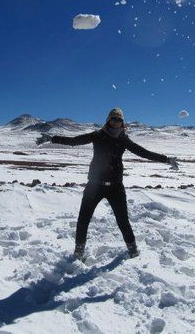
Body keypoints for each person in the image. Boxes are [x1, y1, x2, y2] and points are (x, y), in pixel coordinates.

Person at [36, 108, 179, 260]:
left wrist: (167, 159)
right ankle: (78, 253)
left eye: (119, 120)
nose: (115, 122)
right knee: (83, 219)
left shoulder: (124, 139)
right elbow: (74, 141)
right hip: (95, 185)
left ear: (122, 122)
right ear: (108, 120)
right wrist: (51, 138)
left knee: (123, 221)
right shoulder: (98, 135)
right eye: (113, 119)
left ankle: (133, 250)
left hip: (116, 187)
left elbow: (143, 152)